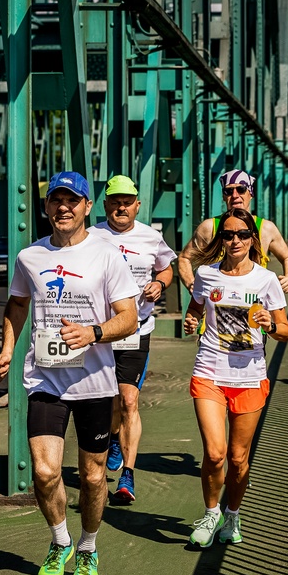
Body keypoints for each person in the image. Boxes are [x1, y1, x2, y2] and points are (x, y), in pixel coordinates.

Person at [0, 171, 138, 575]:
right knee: (43, 470)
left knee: (92, 478)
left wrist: (92, 333)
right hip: (46, 381)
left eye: (73, 200)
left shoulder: (107, 255)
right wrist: (6, 349)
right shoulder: (29, 257)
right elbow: (17, 304)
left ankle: (88, 548)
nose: (64, 207)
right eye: (56, 200)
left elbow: (128, 318)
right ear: (47, 206)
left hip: (95, 383)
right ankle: (61, 541)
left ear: (88, 207)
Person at [182, 208, 288, 548]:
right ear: (221, 240)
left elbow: (285, 331)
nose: (235, 241)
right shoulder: (206, 275)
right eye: (228, 235)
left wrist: (270, 324)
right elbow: (195, 310)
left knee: (238, 459)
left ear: (252, 240)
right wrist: (190, 322)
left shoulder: (265, 280)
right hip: (210, 372)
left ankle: (232, 513)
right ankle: (211, 512)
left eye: (242, 235)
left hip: (250, 377)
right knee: (214, 454)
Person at [87, 174, 177, 504]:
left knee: (128, 401)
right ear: (104, 205)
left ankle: (127, 475)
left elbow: (168, 268)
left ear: (138, 205)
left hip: (137, 330)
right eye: (115, 201)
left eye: (127, 201)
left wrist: (161, 284)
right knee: (109, 402)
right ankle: (113, 436)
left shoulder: (151, 238)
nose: (121, 207)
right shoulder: (91, 236)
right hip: (100, 333)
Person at [178, 169, 288, 295]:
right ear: (224, 196)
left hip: (254, 308)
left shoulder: (266, 228)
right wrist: (192, 283)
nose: (235, 195)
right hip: (216, 308)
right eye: (228, 191)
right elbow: (184, 258)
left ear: (251, 193)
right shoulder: (210, 227)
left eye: (241, 189)